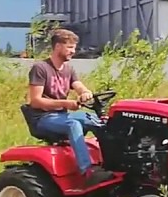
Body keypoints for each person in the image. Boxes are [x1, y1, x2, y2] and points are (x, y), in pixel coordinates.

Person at [25, 29, 114, 186]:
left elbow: (79, 86)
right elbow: (35, 101)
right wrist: (66, 104)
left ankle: (111, 164)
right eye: (70, 47)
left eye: (74, 48)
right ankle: (87, 172)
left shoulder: (68, 69)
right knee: (74, 124)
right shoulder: (40, 68)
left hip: (61, 116)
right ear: (58, 46)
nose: (73, 51)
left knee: (97, 121)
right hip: (44, 118)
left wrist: (85, 93)